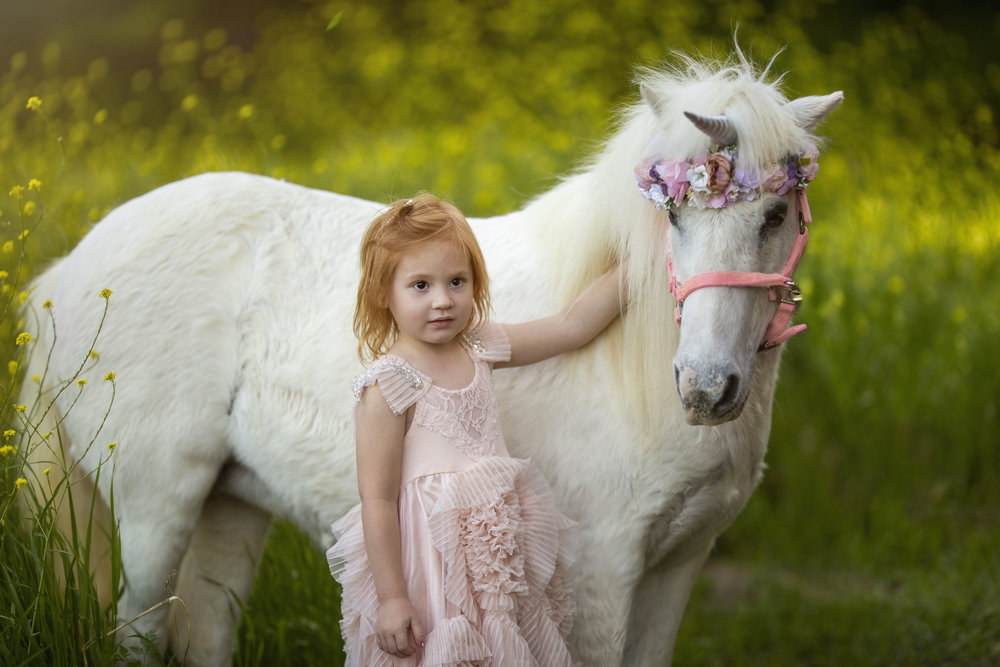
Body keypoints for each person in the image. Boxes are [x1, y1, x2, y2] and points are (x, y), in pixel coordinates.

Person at [327, 193, 623, 666]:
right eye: (420, 285)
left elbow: (570, 326)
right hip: (431, 566)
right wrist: (392, 598)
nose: (443, 300)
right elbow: (377, 500)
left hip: (494, 562)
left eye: (457, 282)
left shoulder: (479, 345)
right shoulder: (388, 384)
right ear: (384, 292)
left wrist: (643, 263)